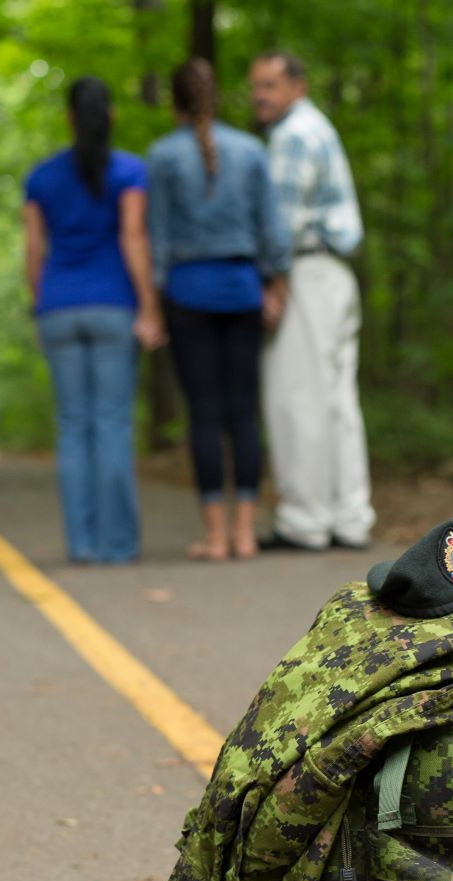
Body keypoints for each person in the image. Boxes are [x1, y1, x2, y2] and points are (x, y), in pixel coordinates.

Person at [146, 58, 291, 561]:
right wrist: (275, 286)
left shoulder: (162, 157)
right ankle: (246, 534)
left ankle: (214, 536)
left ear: (176, 103)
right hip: (241, 289)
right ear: (217, 97)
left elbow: (157, 238)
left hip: (188, 292)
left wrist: (154, 304)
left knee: (204, 415)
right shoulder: (251, 150)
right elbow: (272, 229)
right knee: (242, 414)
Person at [23, 76, 165, 565]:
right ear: (111, 116)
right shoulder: (129, 171)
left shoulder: (41, 178)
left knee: (72, 428)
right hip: (112, 307)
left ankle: (81, 545)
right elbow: (132, 237)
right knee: (110, 425)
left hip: (58, 308)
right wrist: (148, 306)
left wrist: (41, 302)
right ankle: (118, 545)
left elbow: (32, 253)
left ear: (68, 117)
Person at [249, 50, 375, 552]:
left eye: (270, 86)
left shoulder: (293, 135)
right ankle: (350, 518)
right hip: (335, 272)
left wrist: (274, 284)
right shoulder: (317, 126)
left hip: (306, 270)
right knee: (337, 401)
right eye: (255, 86)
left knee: (297, 397)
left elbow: (282, 222)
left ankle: (304, 521)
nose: (260, 96)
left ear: (297, 87)